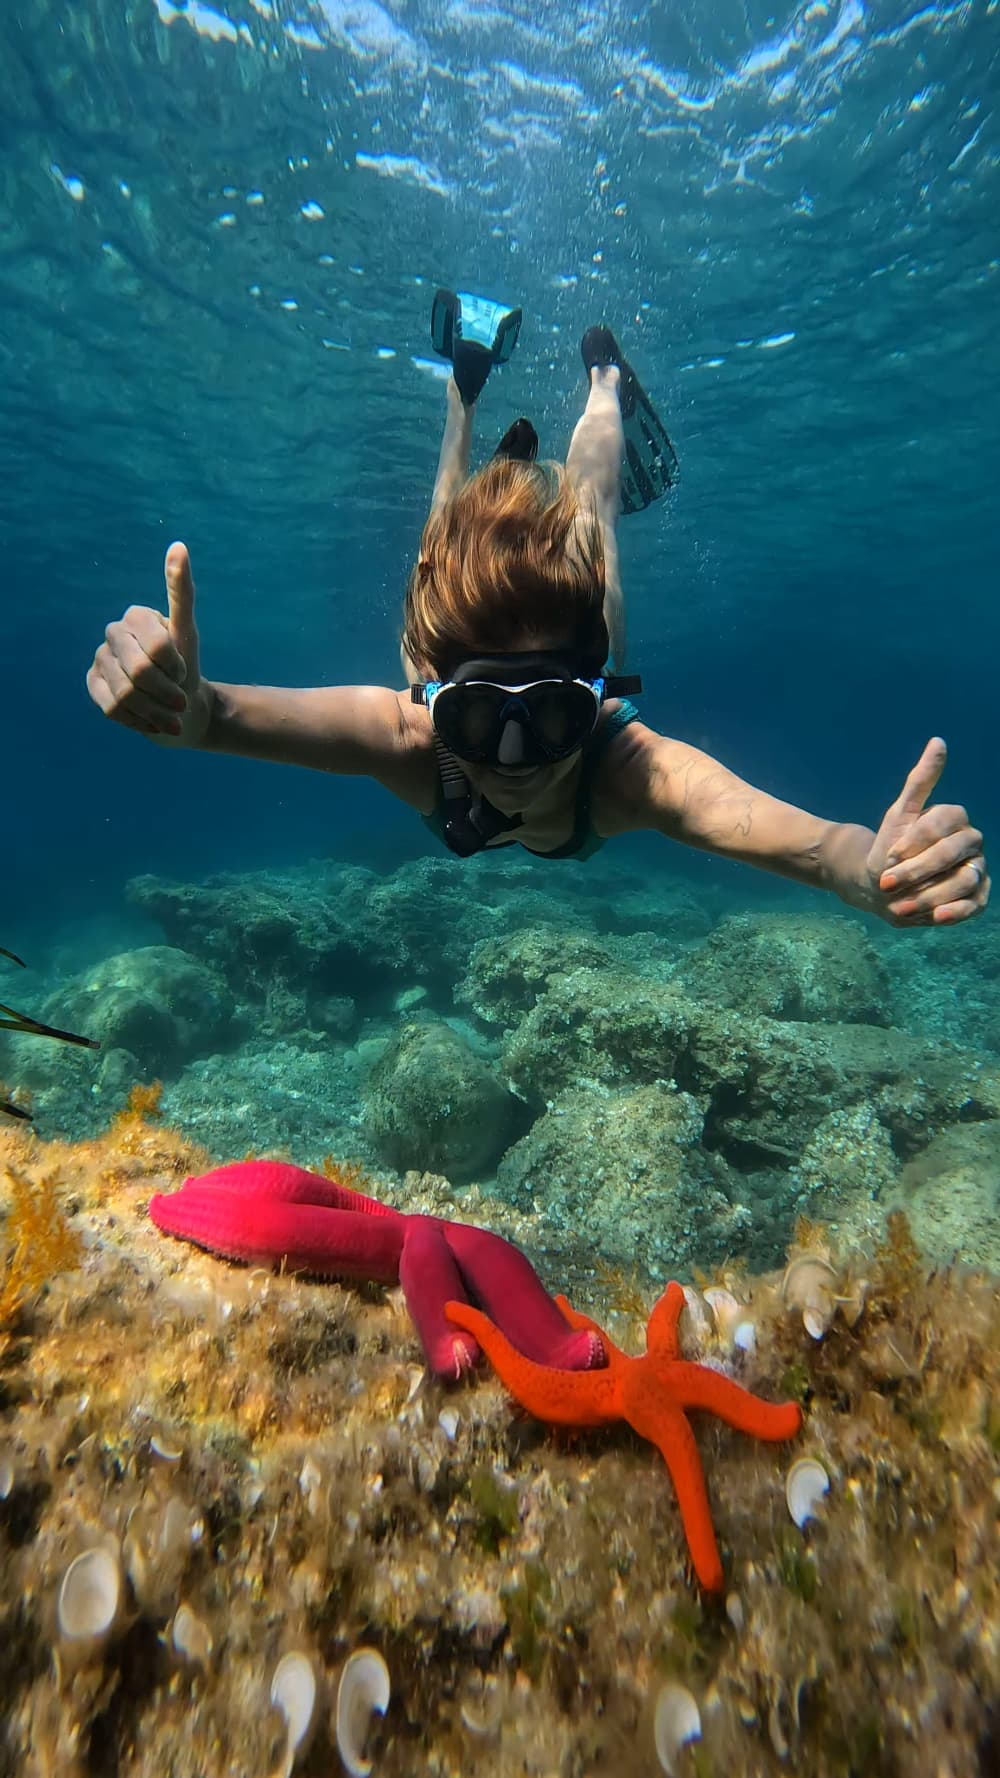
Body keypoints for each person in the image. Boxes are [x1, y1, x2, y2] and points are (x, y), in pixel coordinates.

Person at [86, 292, 988, 927]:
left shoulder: (628, 769)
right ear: (436, 705)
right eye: (478, 719)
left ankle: (599, 381)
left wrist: (866, 873)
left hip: (548, 655)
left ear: (595, 700)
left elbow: (814, 845)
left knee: (583, 520)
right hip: (468, 664)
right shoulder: (415, 734)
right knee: (474, 541)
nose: (513, 760)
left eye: (553, 715)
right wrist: (189, 710)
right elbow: (220, 715)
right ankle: (477, 389)